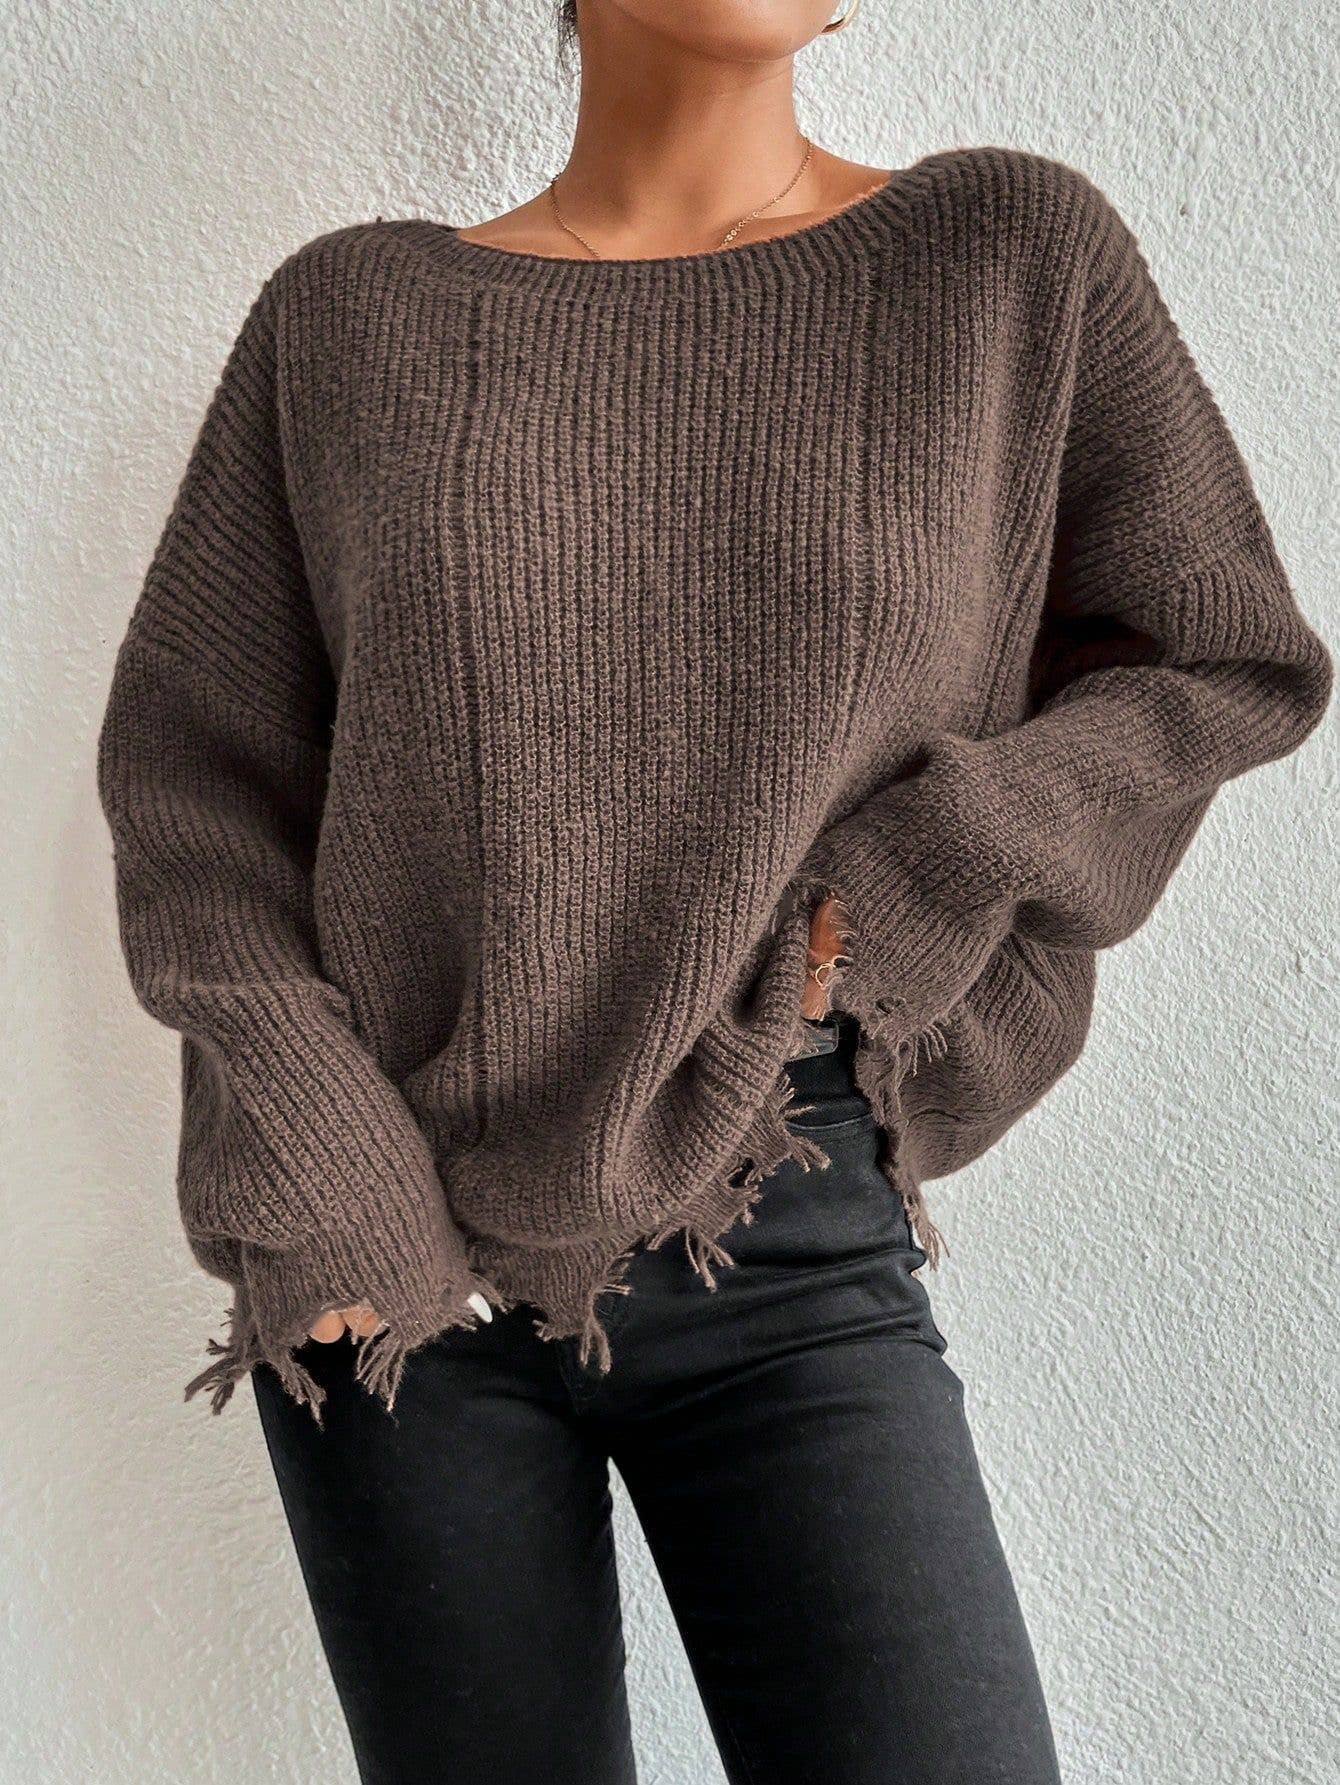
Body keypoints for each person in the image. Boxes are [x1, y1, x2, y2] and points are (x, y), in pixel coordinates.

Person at [94, 2, 1332, 1781]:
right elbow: (196, 789)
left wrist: (933, 864)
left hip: (777, 1201)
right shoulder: (350, 319)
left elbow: (1221, 654)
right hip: (389, 1245)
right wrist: (325, 1176)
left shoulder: (1002, 256)